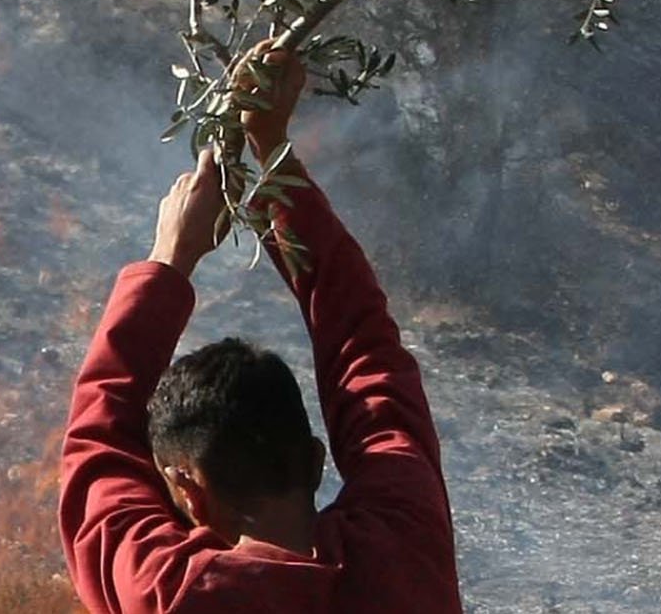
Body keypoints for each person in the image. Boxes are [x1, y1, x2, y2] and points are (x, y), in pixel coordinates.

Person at [59, 42, 459, 613]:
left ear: (190, 492)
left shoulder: (169, 593)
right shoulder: (404, 548)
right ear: (317, 461)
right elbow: (365, 352)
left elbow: (96, 445)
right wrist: (270, 149)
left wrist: (171, 256)